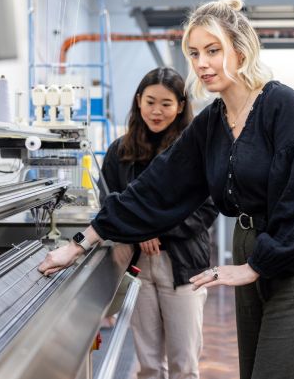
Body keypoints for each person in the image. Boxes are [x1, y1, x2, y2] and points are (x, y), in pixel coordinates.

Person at [40, 0, 294, 379]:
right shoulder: (213, 122)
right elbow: (156, 186)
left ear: (241, 51)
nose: (201, 63)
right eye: (194, 53)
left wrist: (257, 265)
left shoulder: (280, 105)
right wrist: (81, 241)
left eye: (213, 50)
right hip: (252, 247)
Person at [100, 67, 218, 379]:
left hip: (182, 264)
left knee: (184, 364)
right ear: (138, 101)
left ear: (180, 106)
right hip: (137, 265)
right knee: (149, 364)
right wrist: (137, 234)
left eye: (166, 104)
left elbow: (207, 207)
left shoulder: (196, 149)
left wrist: (155, 230)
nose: (156, 110)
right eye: (150, 101)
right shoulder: (119, 152)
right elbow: (109, 202)